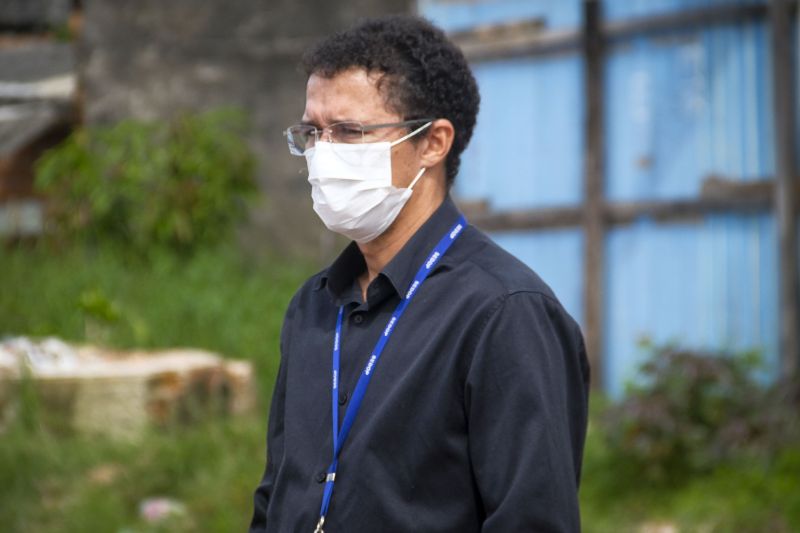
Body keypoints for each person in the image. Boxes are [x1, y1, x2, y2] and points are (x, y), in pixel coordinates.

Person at [250, 14, 590, 533]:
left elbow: (532, 517)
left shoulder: (504, 313)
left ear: (432, 143)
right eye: (312, 133)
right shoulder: (315, 306)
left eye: (349, 131)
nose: (322, 155)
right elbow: (278, 495)